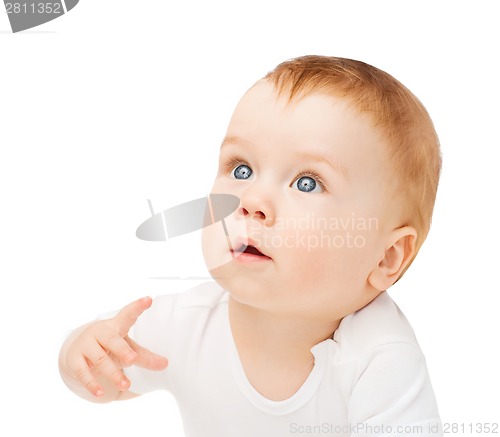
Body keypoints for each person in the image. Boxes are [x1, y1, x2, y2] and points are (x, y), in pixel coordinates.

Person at [59, 55, 443, 436]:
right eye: (241, 169)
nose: (252, 200)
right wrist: (83, 355)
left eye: (307, 182)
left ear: (386, 257)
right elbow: (103, 385)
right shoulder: (189, 323)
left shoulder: (380, 359)